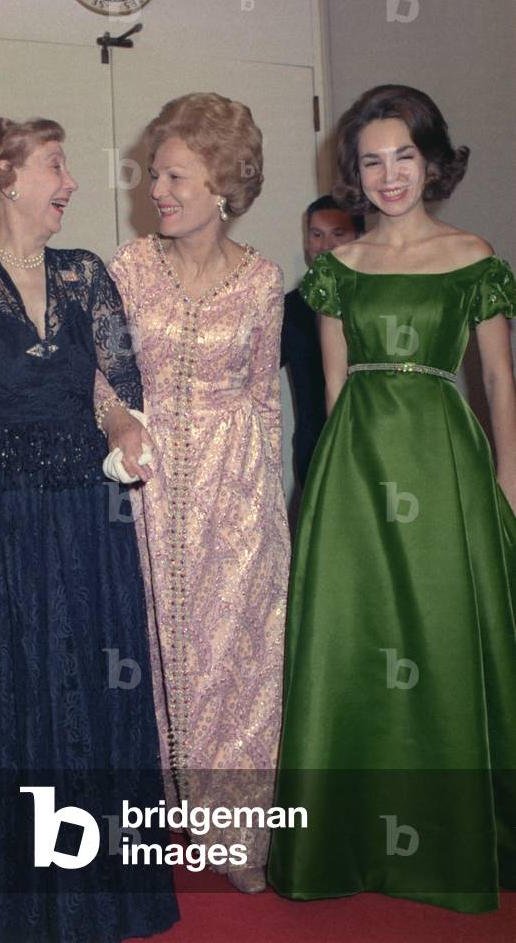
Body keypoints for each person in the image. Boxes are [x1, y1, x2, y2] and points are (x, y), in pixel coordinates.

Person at [0, 116, 178, 943]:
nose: (71, 184)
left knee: (82, 686)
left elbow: (121, 388)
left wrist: (127, 435)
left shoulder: (88, 274)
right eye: (57, 165)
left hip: (81, 512)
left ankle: (86, 900)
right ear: (8, 176)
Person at [268, 84, 516, 913]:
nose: (387, 176)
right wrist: (332, 497)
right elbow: (334, 394)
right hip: (354, 469)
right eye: (371, 162)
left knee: (445, 635)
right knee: (353, 639)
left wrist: (508, 484)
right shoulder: (335, 267)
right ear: (354, 172)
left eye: (402, 156)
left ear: (432, 160)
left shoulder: (473, 256)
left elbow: (497, 384)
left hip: (443, 463)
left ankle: (454, 840)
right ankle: (347, 841)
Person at [96, 92, 290, 893]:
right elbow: (97, 375)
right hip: (145, 487)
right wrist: (113, 422)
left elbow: (261, 398)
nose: (158, 191)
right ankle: (155, 818)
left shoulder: (263, 281)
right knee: (142, 651)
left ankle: (236, 835)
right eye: (153, 176)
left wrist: (268, 511)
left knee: (236, 658)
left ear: (222, 185)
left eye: (175, 176)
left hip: (234, 492)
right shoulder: (126, 268)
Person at [280, 196, 364, 488]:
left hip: (375, 446)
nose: (325, 245)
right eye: (317, 235)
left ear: (359, 237)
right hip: (314, 454)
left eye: (337, 234)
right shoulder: (290, 308)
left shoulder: (378, 304)